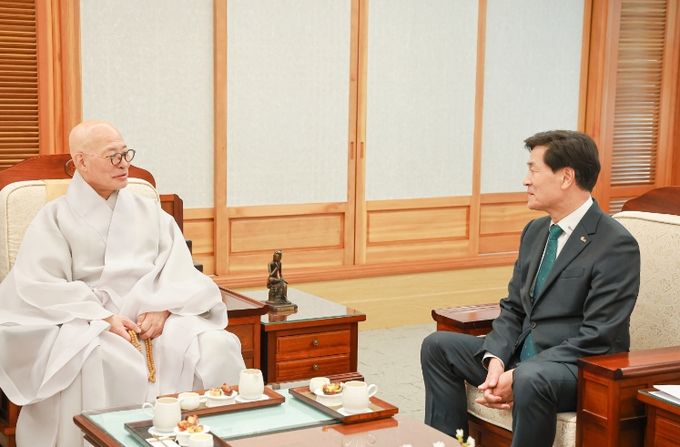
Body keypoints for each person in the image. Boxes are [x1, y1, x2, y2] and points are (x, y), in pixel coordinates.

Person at [0, 121, 246, 446]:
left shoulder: (151, 212)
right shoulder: (54, 217)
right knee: (98, 358)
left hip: (155, 315)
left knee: (217, 344)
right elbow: (39, 282)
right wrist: (103, 317)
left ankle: (210, 438)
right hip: (90, 319)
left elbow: (179, 270)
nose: (124, 164)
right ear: (81, 162)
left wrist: (165, 308)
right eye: (112, 156)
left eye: (126, 154)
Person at [420, 130, 640, 447]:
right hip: (524, 359)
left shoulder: (615, 244)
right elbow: (514, 308)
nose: (526, 181)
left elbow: (599, 335)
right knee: (438, 346)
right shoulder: (536, 231)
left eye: (533, 170)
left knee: (530, 378)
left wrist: (520, 372)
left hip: (577, 368)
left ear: (566, 177)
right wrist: (495, 359)